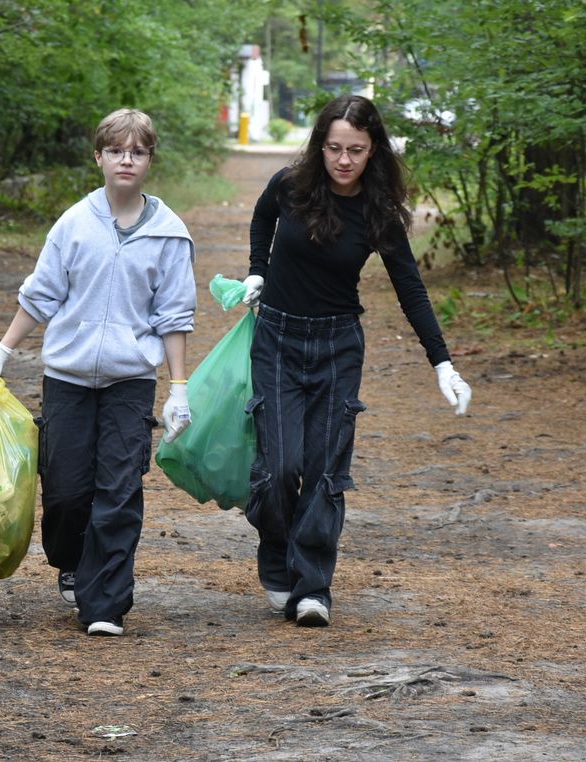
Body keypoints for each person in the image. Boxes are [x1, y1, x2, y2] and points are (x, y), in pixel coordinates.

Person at [240, 94, 471, 628]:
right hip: (276, 337)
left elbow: (410, 288)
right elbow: (262, 217)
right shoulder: (290, 186)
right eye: (335, 148)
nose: (344, 161)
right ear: (321, 145)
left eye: (357, 151)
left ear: (374, 151)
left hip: (338, 347)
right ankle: (276, 546)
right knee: (279, 470)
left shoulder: (378, 212)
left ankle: (312, 587)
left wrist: (443, 364)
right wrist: (257, 269)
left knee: (324, 471)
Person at [0, 108, 197, 637]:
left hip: (129, 382)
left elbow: (174, 316)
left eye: (137, 152)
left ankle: (106, 605)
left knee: (119, 490)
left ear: (149, 161)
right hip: (69, 379)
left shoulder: (169, 234)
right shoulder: (73, 224)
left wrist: (179, 386)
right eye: (116, 150)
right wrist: (1, 352)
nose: (126, 160)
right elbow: (42, 295)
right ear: (98, 157)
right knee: (68, 492)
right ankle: (72, 561)